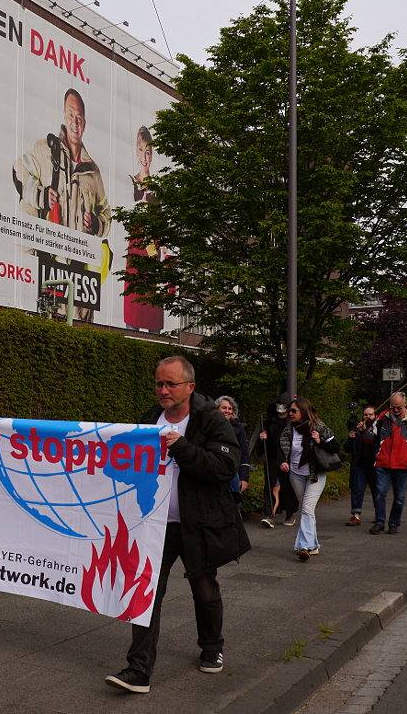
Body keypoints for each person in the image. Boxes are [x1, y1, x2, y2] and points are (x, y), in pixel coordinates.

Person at [105, 356, 250, 694]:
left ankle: (212, 647)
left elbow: (224, 466)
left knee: (205, 588)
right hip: (156, 525)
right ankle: (138, 670)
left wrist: (182, 448)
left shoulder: (210, 420)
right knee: (146, 592)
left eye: (170, 384)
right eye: (159, 383)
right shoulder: (149, 418)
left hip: (199, 524)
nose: (163, 390)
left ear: (190, 387)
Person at [13, 88, 110, 236]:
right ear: (64, 117)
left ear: (84, 123)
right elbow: (17, 170)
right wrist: (40, 195)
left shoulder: (93, 171)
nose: (75, 122)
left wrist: (96, 223)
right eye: (71, 115)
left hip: (79, 256)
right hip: (46, 252)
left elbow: (107, 213)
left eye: (79, 117)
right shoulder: (45, 150)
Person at [279, 398, 340, 560]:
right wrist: (283, 461)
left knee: (306, 508)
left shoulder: (319, 427)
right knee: (307, 510)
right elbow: (283, 448)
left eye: (294, 411)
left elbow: (336, 447)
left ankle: (303, 546)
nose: (290, 413)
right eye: (290, 411)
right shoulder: (289, 429)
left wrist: (319, 441)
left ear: (304, 412)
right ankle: (312, 545)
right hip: (296, 474)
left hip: (315, 475)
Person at [124, 126, 164, 334]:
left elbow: (162, 227)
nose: (145, 156)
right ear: (136, 151)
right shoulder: (130, 182)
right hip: (136, 254)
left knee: (153, 312)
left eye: (148, 151)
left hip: (152, 257)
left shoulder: (159, 188)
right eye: (141, 150)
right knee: (134, 311)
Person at [367, 392, 407, 535]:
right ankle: (380, 522)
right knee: (380, 493)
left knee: (399, 497)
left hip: (403, 465)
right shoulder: (381, 420)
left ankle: (393, 523)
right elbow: (370, 438)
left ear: (405, 405)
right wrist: (363, 431)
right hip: (383, 463)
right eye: (393, 407)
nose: (396, 410)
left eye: (399, 407)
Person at [254, 397, 298, 528]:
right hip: (272, 459)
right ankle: (269, 514)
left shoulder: (293, 423)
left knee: (288, 487)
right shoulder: (268, 422)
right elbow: (261, 448)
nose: (281, 407)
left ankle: (290, 513)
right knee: (270, 486)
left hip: (288, 459)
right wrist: (263, 440)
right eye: (279, 404)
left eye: (284, 404)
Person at [343, 405, 377, 525]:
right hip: (359, 465)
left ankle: (379, 514)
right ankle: (356, 515)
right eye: (365, 414)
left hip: (375, 465)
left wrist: (365, 431)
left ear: (375, 416)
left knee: (377, 490)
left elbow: (375, 443)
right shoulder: (356, 429)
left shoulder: (378, 428)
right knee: (357, 489)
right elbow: (347, 448)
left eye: (370, 414)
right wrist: (351, 438)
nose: (368, 417)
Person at [215, 395, 250, 503]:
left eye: (230, 408)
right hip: (214, 470)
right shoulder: (210, 426)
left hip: (233, 473)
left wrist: (244, 478)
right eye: (224, 408)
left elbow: (244, 454)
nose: (227, 411)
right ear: (217, 409)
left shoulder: (239, 429)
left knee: (234, 506)